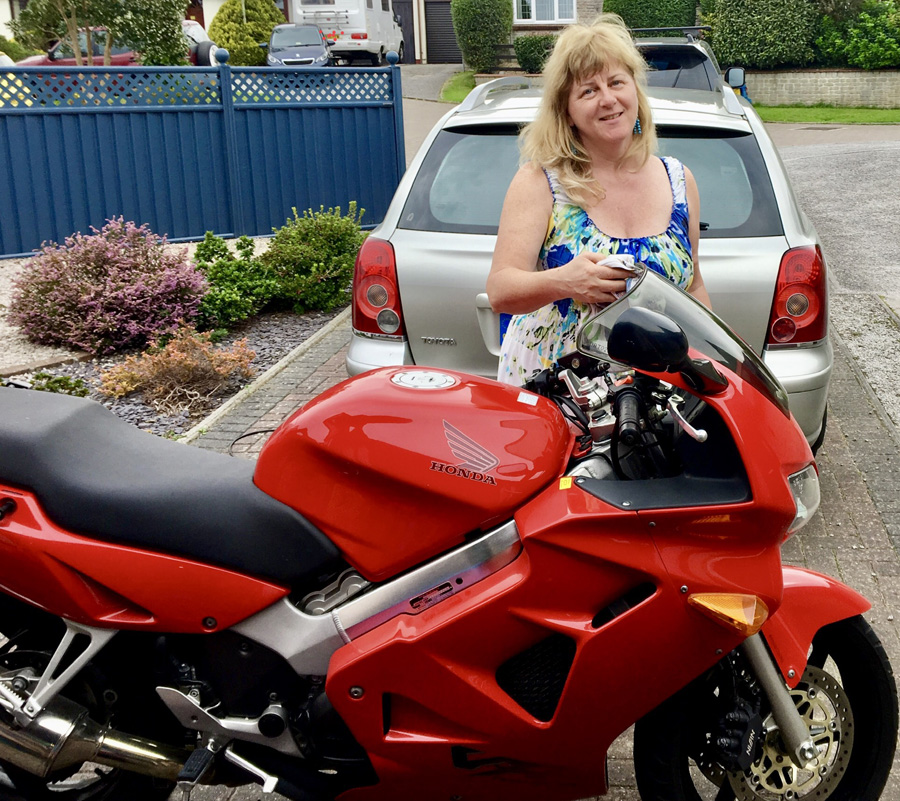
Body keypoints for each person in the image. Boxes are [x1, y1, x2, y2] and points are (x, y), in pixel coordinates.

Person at [487, 14, 711, 386]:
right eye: (588, 91)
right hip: (554, 392)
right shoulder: (540, 181)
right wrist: (566, 282)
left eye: (616, 82)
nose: (608, 99)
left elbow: (694, 286)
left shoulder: (678, 181)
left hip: (651, 397)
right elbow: (500, 290)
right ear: (568, 113)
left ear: (635, 91)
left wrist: (712, 365)